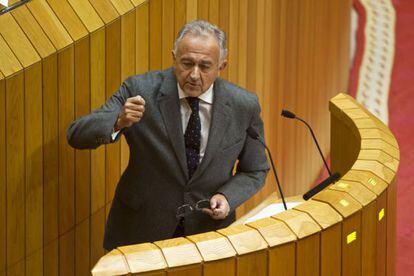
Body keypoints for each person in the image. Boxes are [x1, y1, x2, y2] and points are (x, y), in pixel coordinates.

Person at [67, 20, 269, 250]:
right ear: (174, 57)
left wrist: (227, 197)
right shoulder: (140, 90)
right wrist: (117, 121)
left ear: (221, 66)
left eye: (205, 66)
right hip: (140, 230)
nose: (194, 75)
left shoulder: (243, 105)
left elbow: (255, 169)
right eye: (186, 63)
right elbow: (76, 135)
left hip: (206, 233)